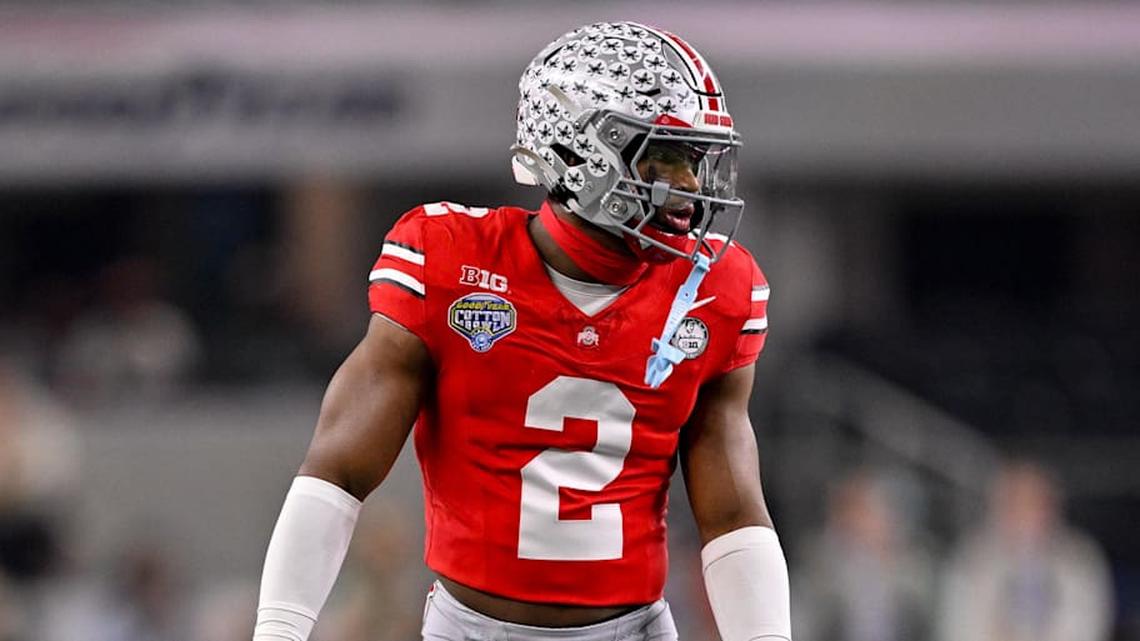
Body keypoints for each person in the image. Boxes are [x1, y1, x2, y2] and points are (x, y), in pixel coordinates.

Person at [252, 21, 790, 641]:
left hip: (634, 629)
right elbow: (338, 471)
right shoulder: (451, 263)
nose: (691, 190)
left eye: (695, 161)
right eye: (666, 158)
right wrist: (280, 632)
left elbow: (733, 513)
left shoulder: (716, 290)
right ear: (577, 150)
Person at [936, 460, 1114, 641]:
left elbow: (1086, 626)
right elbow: (959, 628)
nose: (1024, 513)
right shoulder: (970, 559)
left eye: (1034, 501)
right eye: (1014, 501)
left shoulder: (1081, 560)